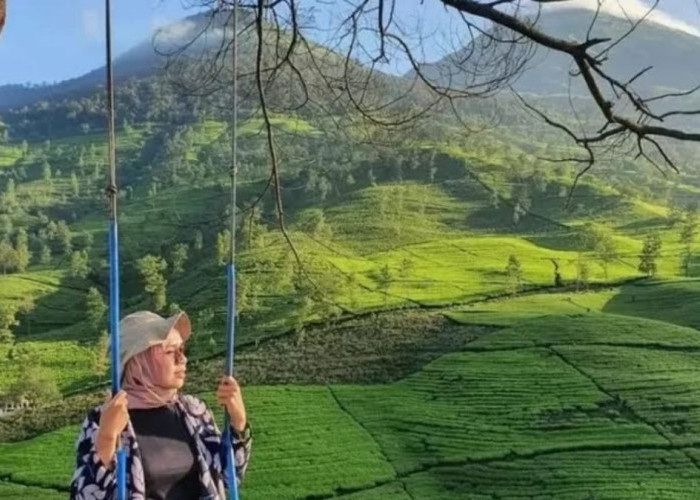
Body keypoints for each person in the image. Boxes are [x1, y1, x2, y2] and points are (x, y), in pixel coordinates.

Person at [70, 310, 252, 500]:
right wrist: (107, 438)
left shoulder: (193, 411)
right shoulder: (102, 420)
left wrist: (238, 420)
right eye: (170, 351)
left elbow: (229, 476)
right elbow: (85, 495)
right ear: (139, 360)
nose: (182, 359)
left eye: (182, 350)